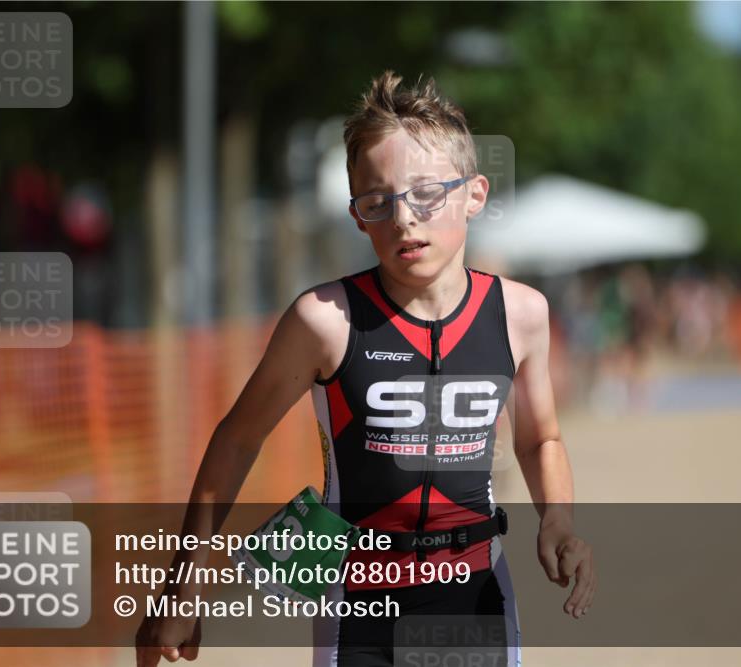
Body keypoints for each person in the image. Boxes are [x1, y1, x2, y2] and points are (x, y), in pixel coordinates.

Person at [136, 70, 596, 667]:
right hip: (357, 601)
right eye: (377, 202)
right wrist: (185, 581)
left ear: (475, 195)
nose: (405, 219)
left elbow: (541, 438)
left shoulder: (521, 313)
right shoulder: (325, 320)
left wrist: (556, 521)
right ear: (357, 214)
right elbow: (237, 438)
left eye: (428, 195)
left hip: (476, 593)